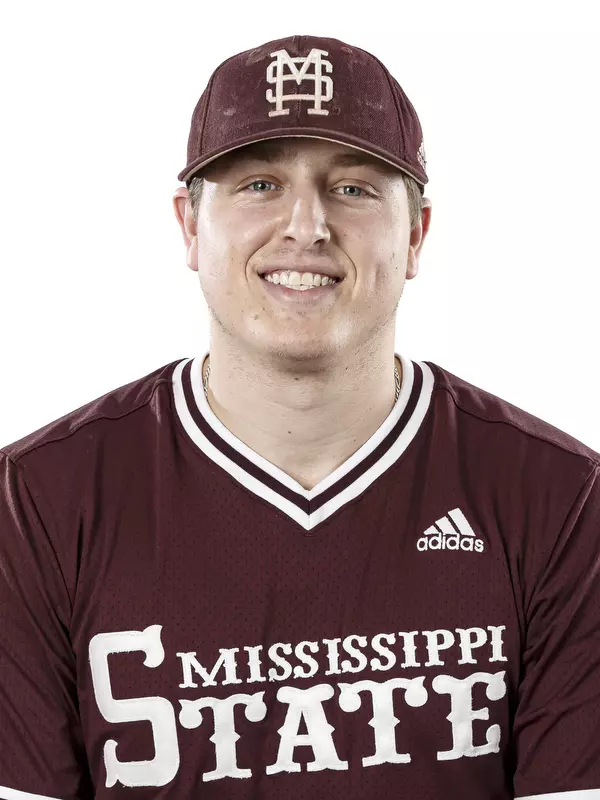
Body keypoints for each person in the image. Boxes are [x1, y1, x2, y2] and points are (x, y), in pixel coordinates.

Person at [0, 33, 599, 800]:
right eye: (259, 185)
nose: (307, 226)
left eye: (352, 188)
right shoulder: (38, 503)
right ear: (189, 224)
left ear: (415, 232)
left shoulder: (559, 499)